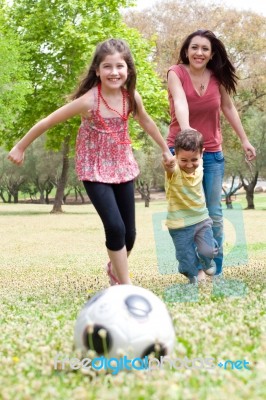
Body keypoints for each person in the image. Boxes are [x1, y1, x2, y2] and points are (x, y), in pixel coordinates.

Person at [8, 38, 172, 286]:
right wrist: (20, 146)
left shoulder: (131, 98)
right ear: (97, 70)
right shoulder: (89, 100)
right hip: (93, 168)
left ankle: (115, 268)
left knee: (130, 235)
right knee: (115, 227)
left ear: (128, 69)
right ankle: (124, 285)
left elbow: (147, 123)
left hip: (122, 166)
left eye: (120, 66)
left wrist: (165, 150)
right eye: (107, 66)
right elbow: (48, 121)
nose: (114, 72)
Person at [167, 29, 256, 278]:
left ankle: (214, 268)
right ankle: (188, 264)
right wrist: (188, 139)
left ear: (212, 53)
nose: (199, 52)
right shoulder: (176, 73)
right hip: (182, 153)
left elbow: (228, 107)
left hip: (212, 153)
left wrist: (245, 139)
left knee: (214, 213)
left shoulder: (217, 76)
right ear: (186, 50)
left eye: (205, 49)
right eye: (194, 47)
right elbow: (180, 101)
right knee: (187, 211)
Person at [163, 129, 218, 284]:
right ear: (176, 155)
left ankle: (207, 263)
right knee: (186, 260)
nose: (189, 165)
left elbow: (195, 160)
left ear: (202, 154)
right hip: (179, 224)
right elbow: (170, 168)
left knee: (207, 250)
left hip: (201, 218)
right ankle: (192, 277)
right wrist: (169, 166)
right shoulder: (174, 170)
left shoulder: (199, 166)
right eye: (183, 160)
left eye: (194, 159)